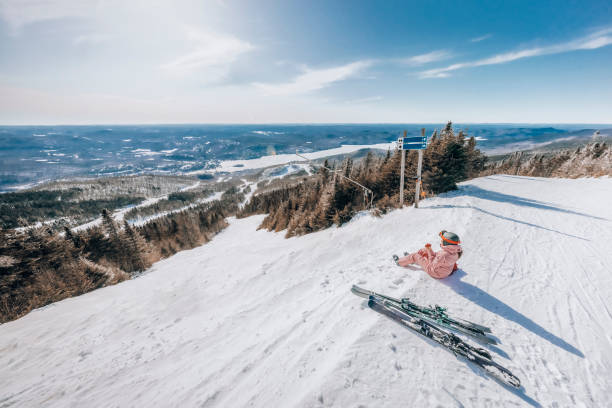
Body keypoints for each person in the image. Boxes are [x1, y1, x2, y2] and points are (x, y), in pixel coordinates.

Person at [394, 230, 463, 279]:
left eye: (442, 240)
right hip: (443, 270)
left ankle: (399, 262)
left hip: (435, 272)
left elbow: (432, 264)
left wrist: (429, 250)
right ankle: (410, 259)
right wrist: (428, 250)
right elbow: (438, 258)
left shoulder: (443, 255)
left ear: (446, 243)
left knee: (415, 256)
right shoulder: (455, 251)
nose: (441, 241)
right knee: (424, 250)